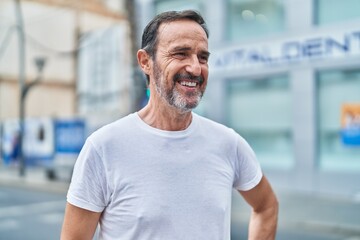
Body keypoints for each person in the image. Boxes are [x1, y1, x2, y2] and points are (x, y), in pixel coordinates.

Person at [61, 10, 278, 240]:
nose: (195, 68)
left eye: (203, 57)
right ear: (145, 61)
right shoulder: (103, 147)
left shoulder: (228, 143)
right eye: (181, 54)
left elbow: (266, 206)